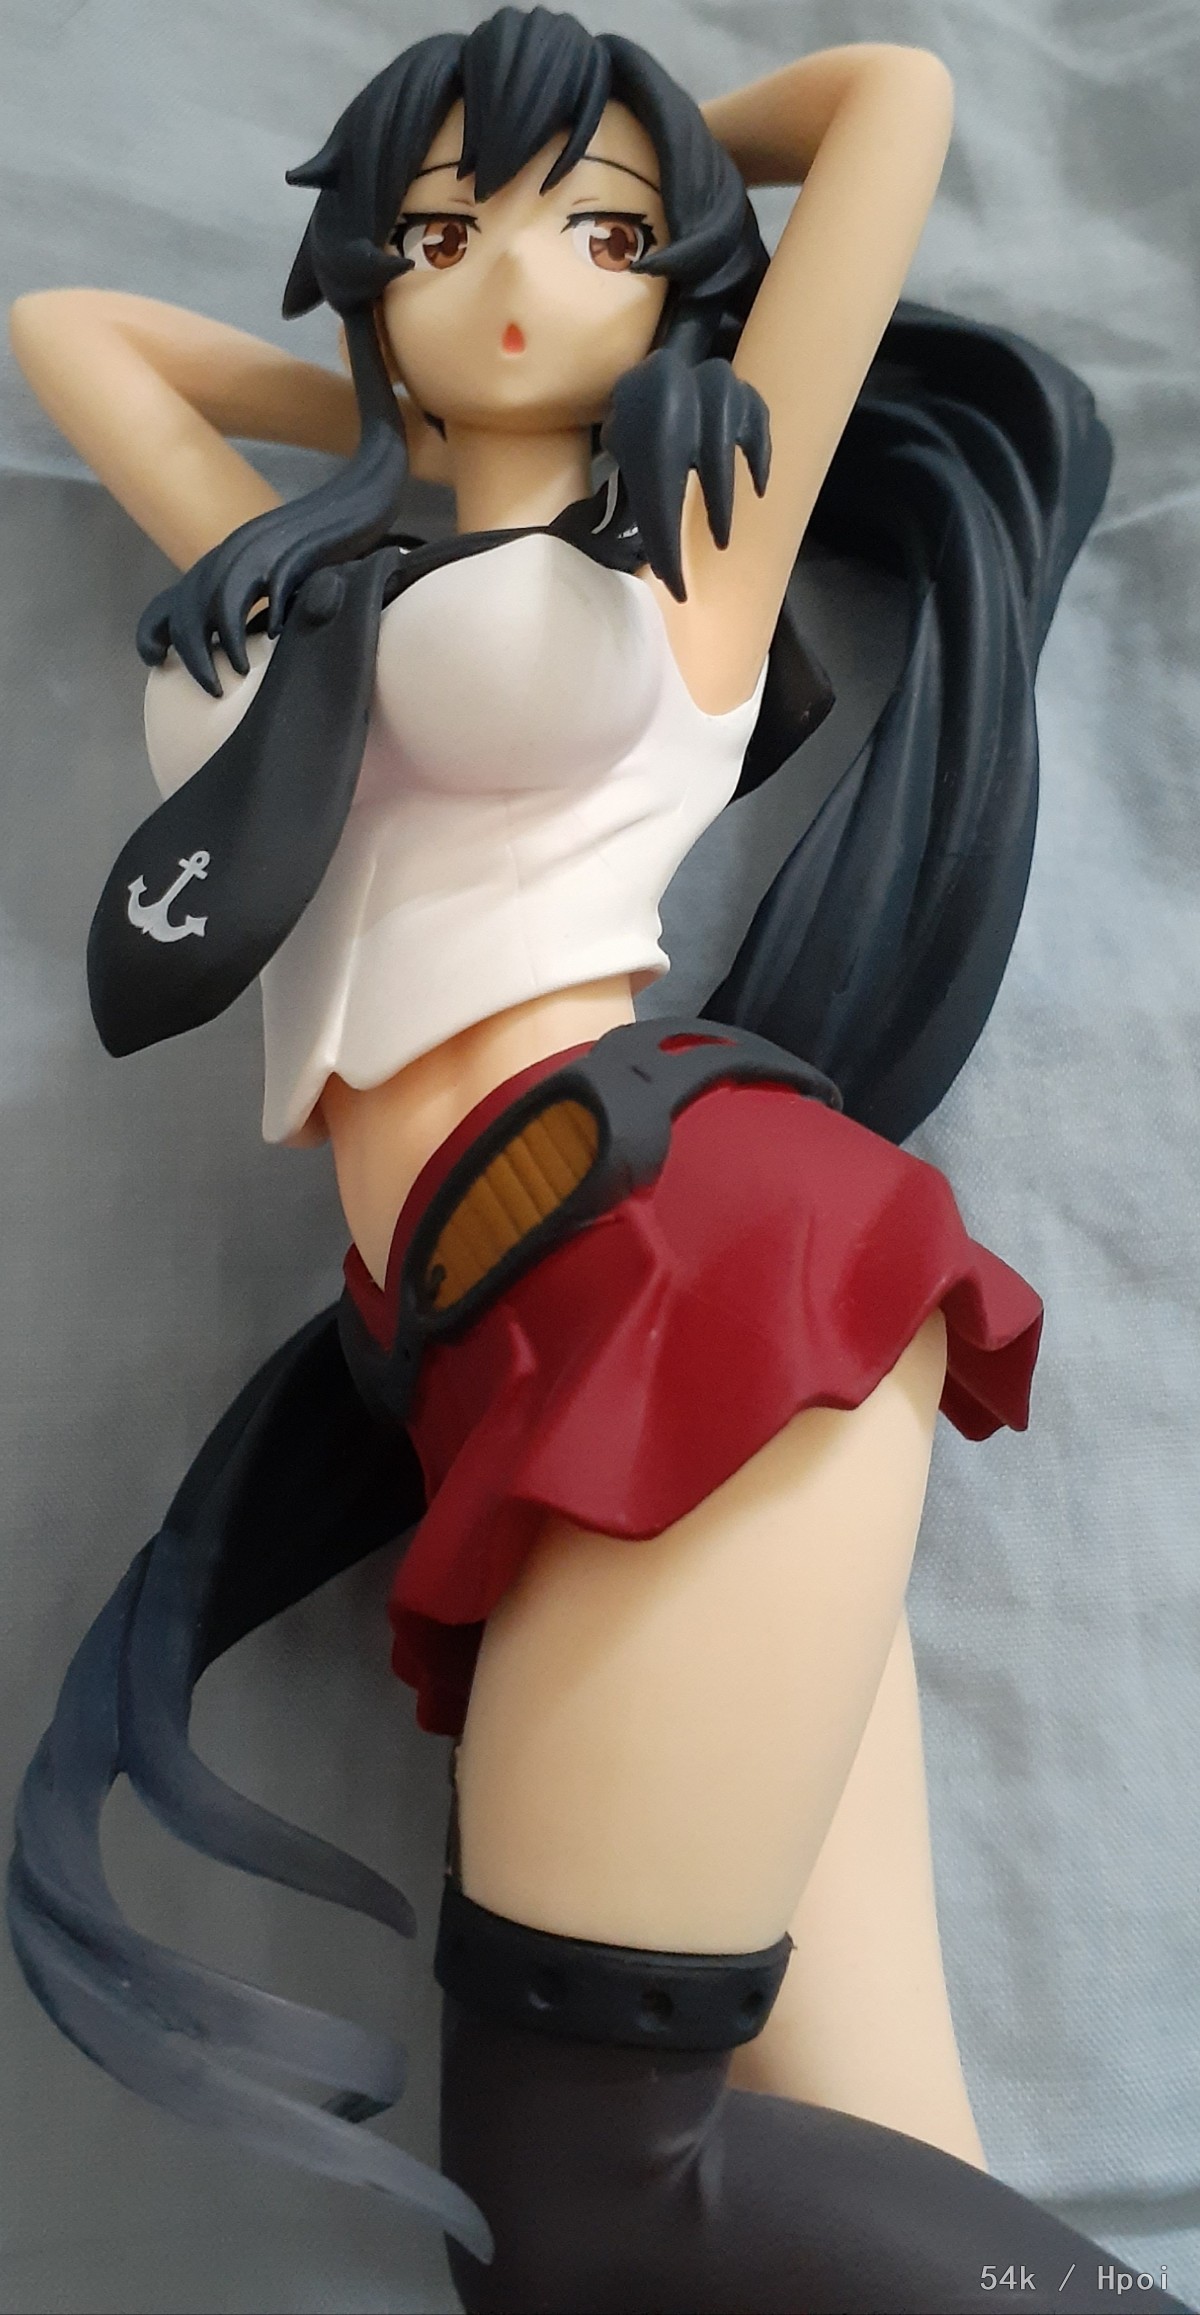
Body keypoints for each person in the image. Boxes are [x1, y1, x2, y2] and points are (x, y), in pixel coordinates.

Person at [9, 10, 1187, 2310]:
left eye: (601, 235)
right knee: (856, 2164)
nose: (519, 272)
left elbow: (892, 102)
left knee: (577, 2212)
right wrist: (408, 389)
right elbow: (78, 333)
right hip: (482, 1336)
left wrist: (658, 215)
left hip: (679, 1266)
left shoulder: (693, 550)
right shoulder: (310, 570)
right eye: (444, 231)